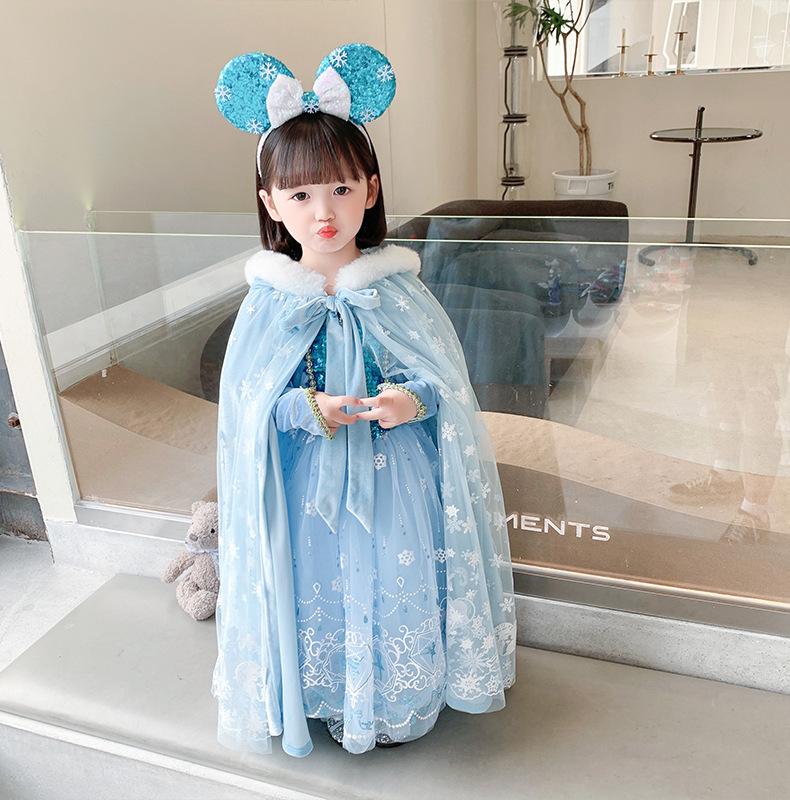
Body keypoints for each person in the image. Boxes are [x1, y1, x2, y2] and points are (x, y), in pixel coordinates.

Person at [211, 42, 517, 758]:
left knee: (390, 576)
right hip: (301, 485)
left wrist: (410, 399)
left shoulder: (397, 290)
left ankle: (390, 695)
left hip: (394, 478)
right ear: (270, 203)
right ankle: (320, 693)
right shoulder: (268, 302)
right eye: (300, 196)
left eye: (342, 190)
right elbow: (249, 410)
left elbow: (444, 383)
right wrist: (305, 409)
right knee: (315, 581)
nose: (324, 212)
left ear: (371, 190)